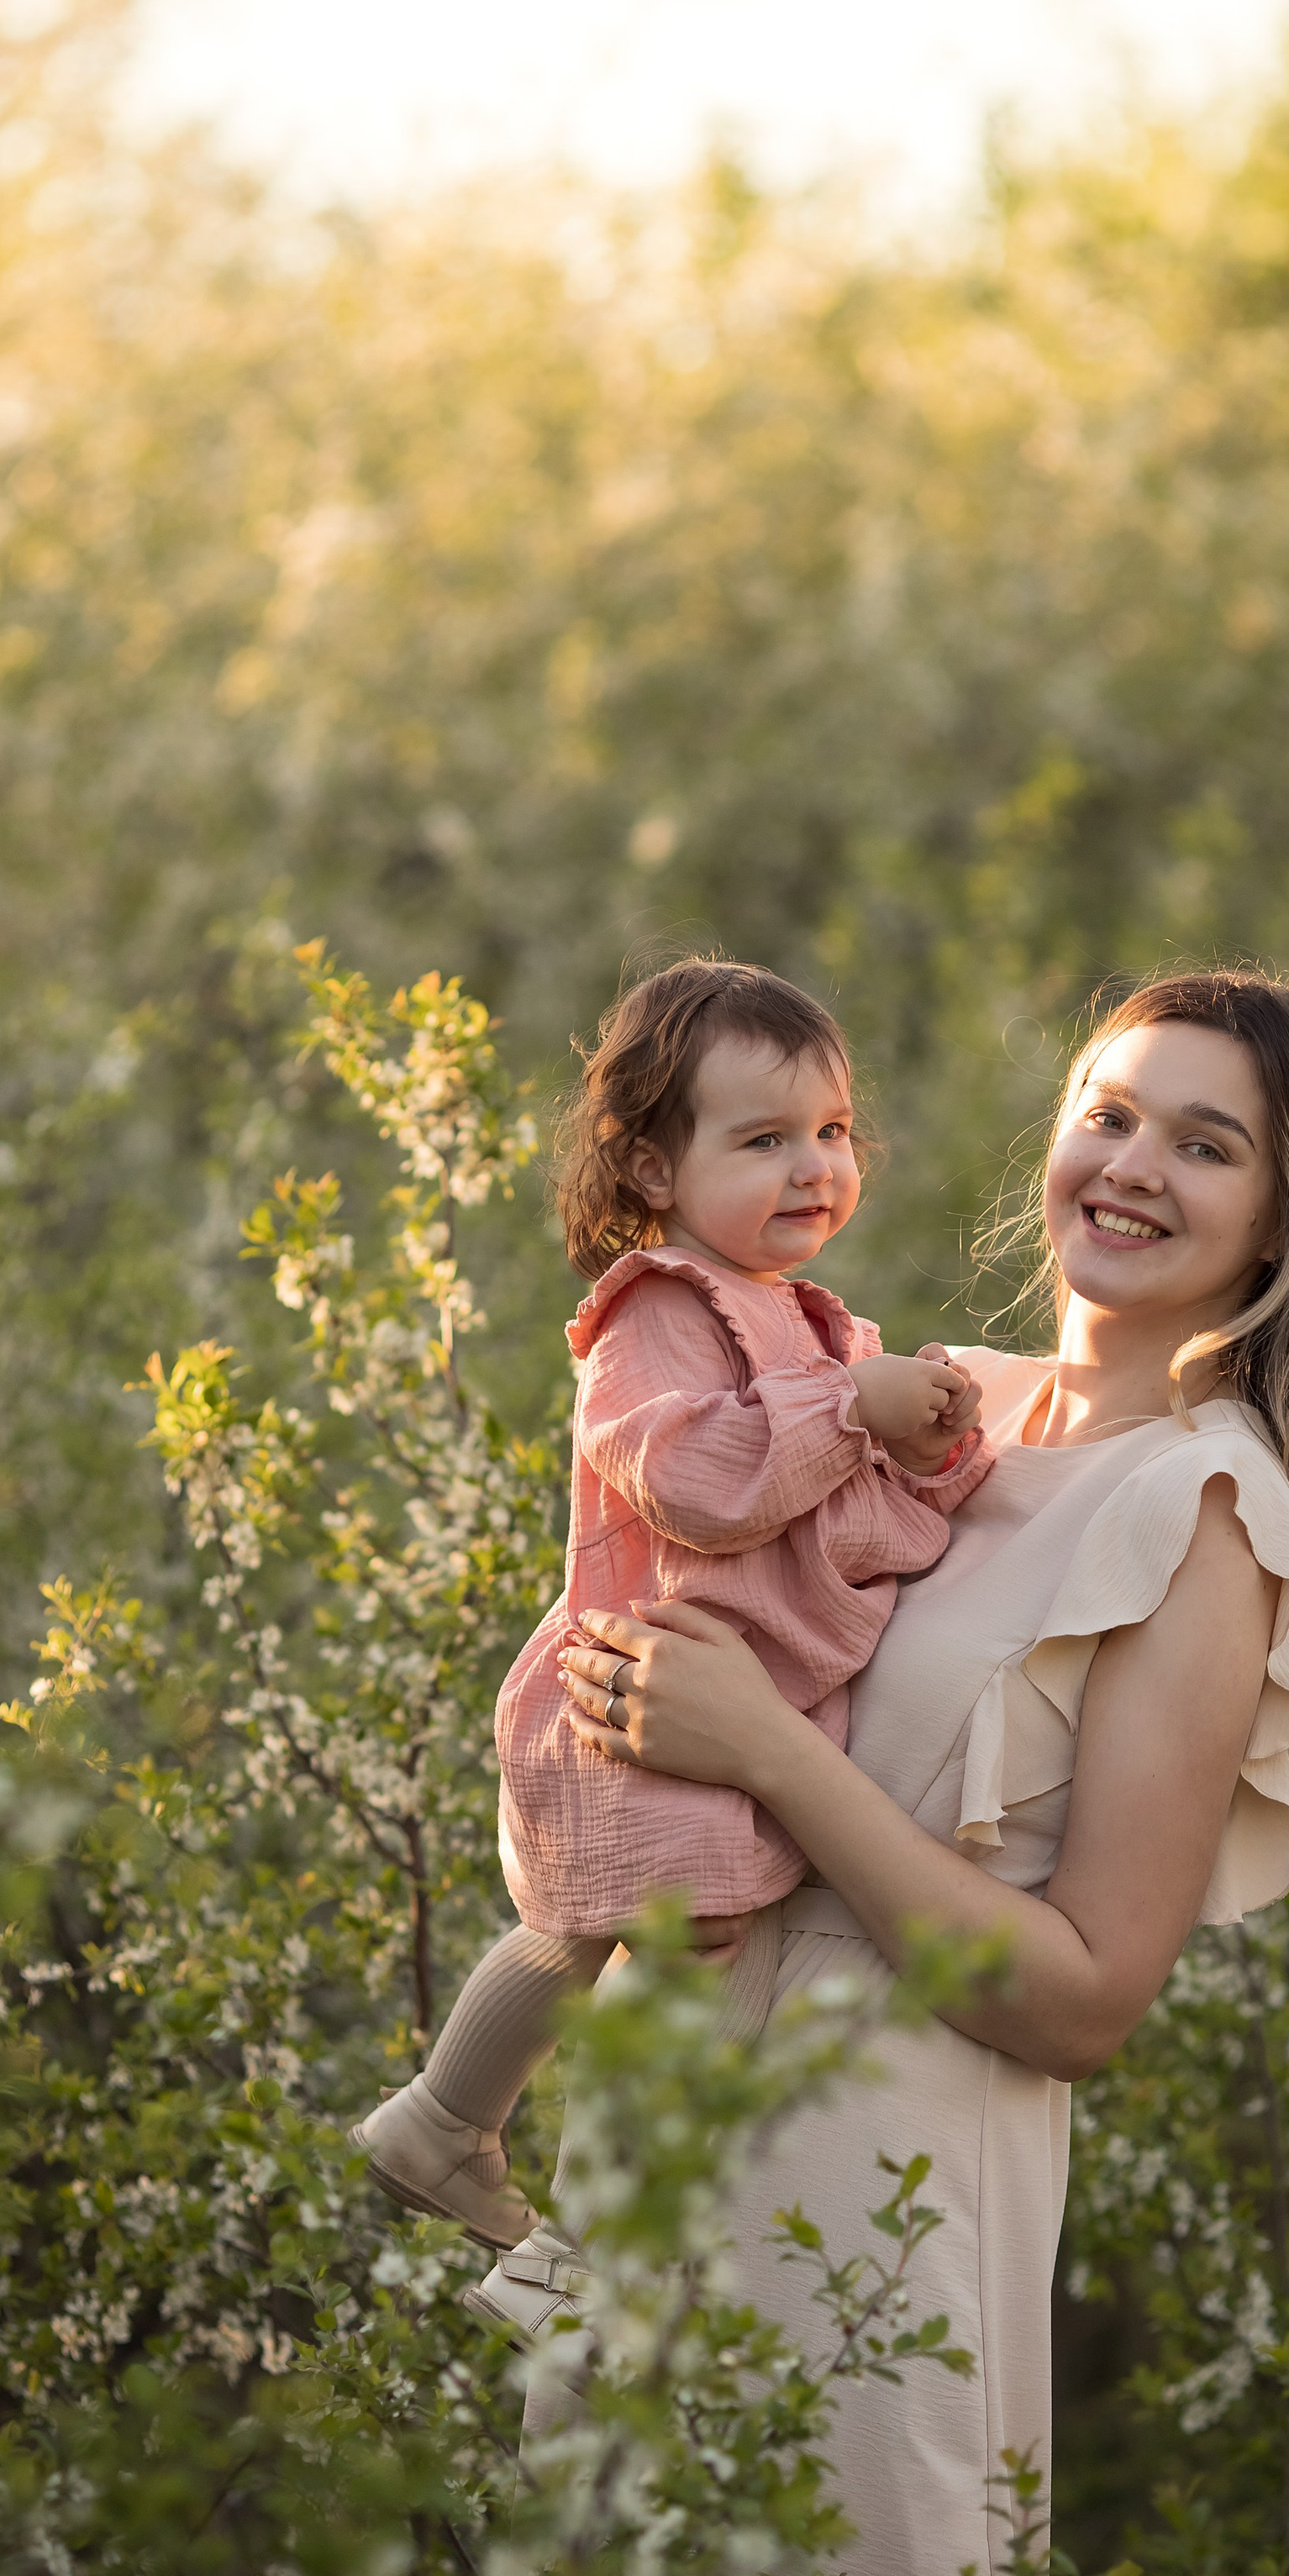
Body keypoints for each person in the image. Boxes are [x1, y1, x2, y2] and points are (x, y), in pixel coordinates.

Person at [555, 968, 1289, 2576]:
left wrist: (770, 1761)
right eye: (1108, 1111)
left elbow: (1088, 1992)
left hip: (884, 2181)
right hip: (672, 2115)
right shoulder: (932, 1404)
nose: (1130, 1166)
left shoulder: (1201, 1513)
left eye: (1203, 1143)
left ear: (1280, 1220)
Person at [352, 957, 992, 2332]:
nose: (813, 1167)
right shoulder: (656, 1311)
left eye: (832, 1132)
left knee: (608, 1935)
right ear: (652, 1166)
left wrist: (931, 1448)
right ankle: (577, 2246)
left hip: (715, 1706)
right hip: (642, 1693)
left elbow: (859, 1528)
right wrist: (853, 1411)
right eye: (762, 1141)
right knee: (657, 1942)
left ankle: (447, 2124)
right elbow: (696, 1481)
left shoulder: (817, 1325)